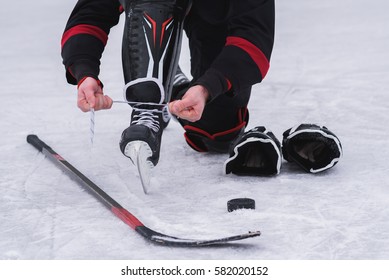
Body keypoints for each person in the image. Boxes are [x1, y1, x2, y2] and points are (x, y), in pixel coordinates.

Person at [61, 0, 342, 178]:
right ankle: (147, 108)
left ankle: (175, 85)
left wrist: (208, 88)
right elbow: (91, 12)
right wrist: (85, 73)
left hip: (214, 10)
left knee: (215, 134)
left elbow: (254, 37)